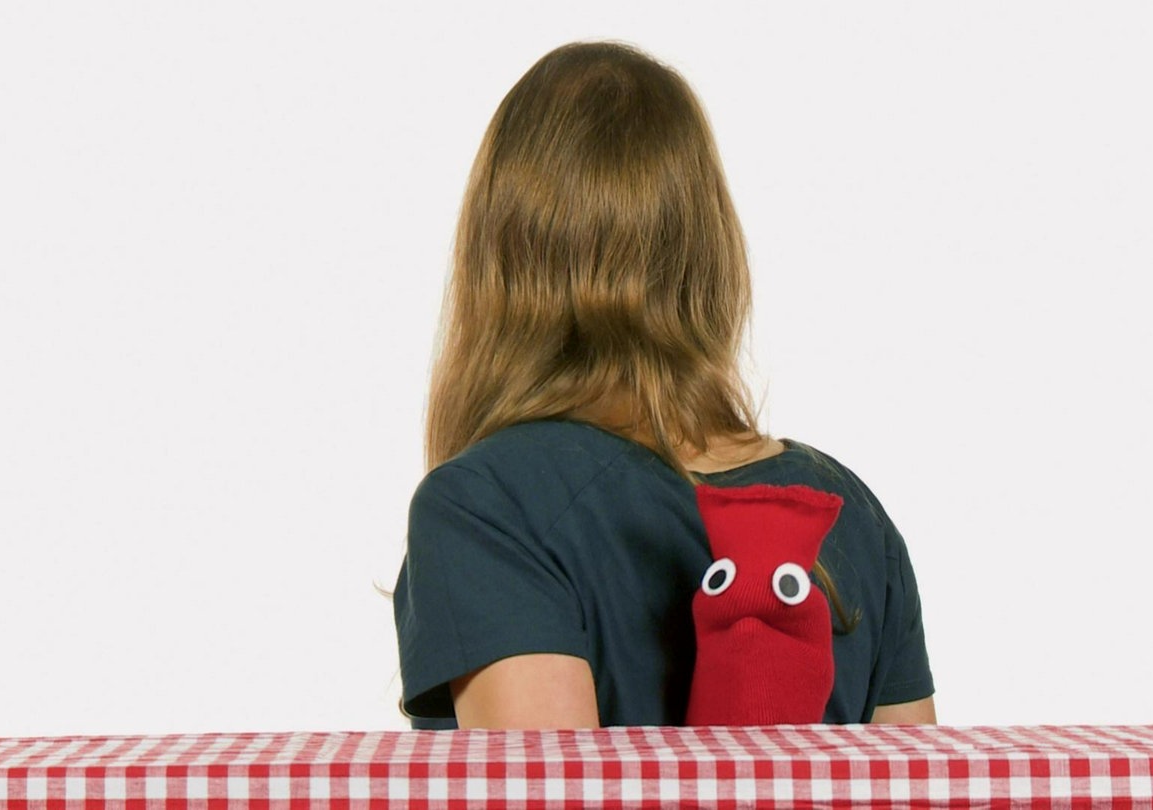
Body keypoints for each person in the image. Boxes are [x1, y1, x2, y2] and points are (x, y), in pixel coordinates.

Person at [391, 40, 935, 730]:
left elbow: (545, 784)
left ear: (499, 257)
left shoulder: (487, 508)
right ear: (709, 249)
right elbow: (916, 778)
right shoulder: (846, 513)